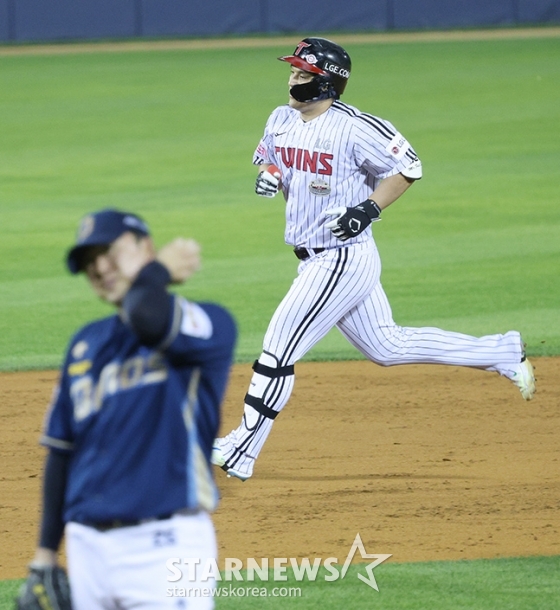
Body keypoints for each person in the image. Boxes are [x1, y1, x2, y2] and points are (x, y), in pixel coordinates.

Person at [211, 37, 535, 482]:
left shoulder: (357, 127)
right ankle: (501, 350)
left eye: (303, 74)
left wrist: (368, 209)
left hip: (342, 258)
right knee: (387, 345)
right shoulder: (280, 118)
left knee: (277, 349)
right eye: (292, 71)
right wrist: (269, 176)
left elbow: (409, 167)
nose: (292, 79)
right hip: (314, 258)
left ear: (326, 82)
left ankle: (241, 450)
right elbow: (270, 158)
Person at [18, 209, 236, 609]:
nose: (99, 268)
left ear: (146, 249)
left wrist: (157, 273)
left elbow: (149, 319)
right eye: (88, 261)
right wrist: (45, 554)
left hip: (167, 547)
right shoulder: (86, 344)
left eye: (110, 251)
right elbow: (61, 452)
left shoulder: (204, 325)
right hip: (87, 549)